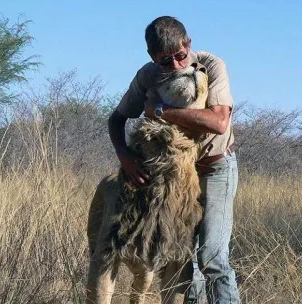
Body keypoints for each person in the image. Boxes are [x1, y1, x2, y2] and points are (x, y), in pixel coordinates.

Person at [107, 16, 241, 303]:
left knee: (212, 256)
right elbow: (116, 120)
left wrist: (161, 111)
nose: (177, 66)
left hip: (215, 166)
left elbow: (218, 122)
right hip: (177, 175)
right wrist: (124, 157)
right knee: (181, 258)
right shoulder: (147, 75)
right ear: (152, 58)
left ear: (188, 44)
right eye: (165, 61)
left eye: (181, 56)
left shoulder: (212, 65)